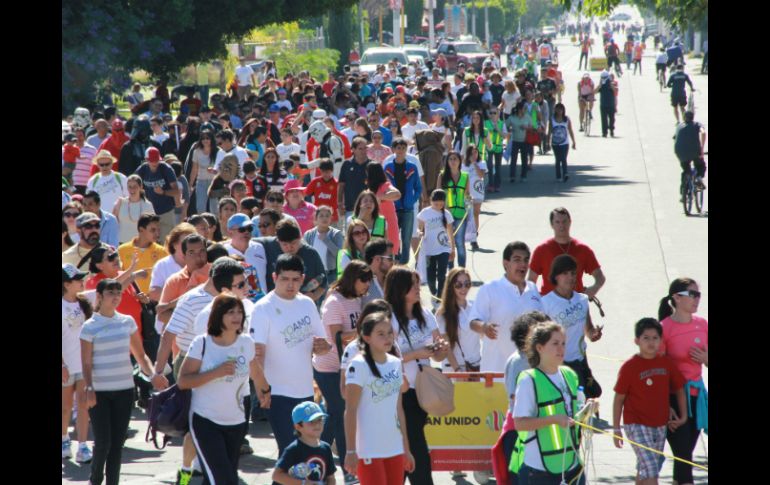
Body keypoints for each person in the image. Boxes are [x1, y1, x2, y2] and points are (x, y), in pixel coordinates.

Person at [153, 257, 246, 484]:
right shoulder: (193, 301)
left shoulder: (234, 305)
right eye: (241, 285)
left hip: (227, 366)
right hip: (192, 364)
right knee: (196, 423)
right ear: (225, 286)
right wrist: (158, 372)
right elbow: (168, 334)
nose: (246, 289)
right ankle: (186, 471)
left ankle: (210, 466)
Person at [80, 278, 167, 485]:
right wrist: (89, 388)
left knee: (117, 443)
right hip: (99, 391)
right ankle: (95, 479)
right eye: (111, 293)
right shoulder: (89, 326)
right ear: (99, 297)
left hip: (125, 390)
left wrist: (153, 375)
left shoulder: (127, 321)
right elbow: (86, 363)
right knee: (103, 442)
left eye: (118, 293)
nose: (116, 297)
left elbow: (140, 355)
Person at [177, 292, 270, 485]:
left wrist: (265, 392)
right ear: (218, 315)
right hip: (205, 421)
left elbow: (256, 372)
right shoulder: (202, 343)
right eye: (231, 312)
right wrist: (216, 372)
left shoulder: (246, 342)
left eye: (239, 312)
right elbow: (183, 381)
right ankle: (184, 474)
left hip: (236, 422)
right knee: (224, 480)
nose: (237, 317)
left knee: (221, 477)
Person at [251, 254, 333, 456]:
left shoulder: (307, 304)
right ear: (274, 277)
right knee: (290, 450)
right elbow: (257, 353)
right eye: (284, 279)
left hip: (304, 391)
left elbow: (322, 345)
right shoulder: (262, 308)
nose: (290, 285)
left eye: (295, 280)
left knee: (304, 451)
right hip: (276, 393)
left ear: (302, 279)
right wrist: (261, 388)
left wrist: (324, 347)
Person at [384, 266, 448, 485]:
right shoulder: (388, 319)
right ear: (400, 288)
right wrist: (415, 354)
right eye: (413, 285)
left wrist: (442, 349)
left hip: (422, 391)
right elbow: (381, 360)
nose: (418, 289)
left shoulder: (426, 314)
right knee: (416, 448)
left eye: (418, 284)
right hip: (401, 392)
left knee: (409, 446)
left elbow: (438, 355)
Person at [314, 261, 372, 482]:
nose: (367, 284)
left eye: (369, 280)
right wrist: (364, 333)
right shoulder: (334, 302)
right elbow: (337, 338)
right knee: (340, 413)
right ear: (352, 279)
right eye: (363, 280)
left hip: (349, 367)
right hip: (329, 367)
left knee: (334, 415)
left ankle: (314, 454)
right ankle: (348, 472)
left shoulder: (356, 298)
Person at [613, 318, 688, 485]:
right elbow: (618, 398)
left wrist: (683, 416)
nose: (651, 342)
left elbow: (679, 389)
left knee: (646, 469)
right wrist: (616, 428)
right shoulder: (630, 366)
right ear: (637, 341)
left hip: (660, 425)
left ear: (661, 341)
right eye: (646, 338)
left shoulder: (666, 363)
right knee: (652, 472)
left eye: (655, 338)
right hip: (636, 424)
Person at [343, 311, 415, 485]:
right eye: (380, 334)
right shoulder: (358, 365)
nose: (387, 337)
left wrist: (406, 448)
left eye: (390, 332)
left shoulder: (396, 363)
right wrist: (351, 451)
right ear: (367, 338)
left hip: (394, 448)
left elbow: (398, 410)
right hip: (368, 450)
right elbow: (350, 410)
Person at [510, 322, 585, 484]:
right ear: (539, 348)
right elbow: (519, 424)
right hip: (539, 469)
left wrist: (587, 409)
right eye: (555, 343)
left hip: (572, 463)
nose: (561, 349)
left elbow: (576, 411)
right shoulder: (529, 380)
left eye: (563, 343)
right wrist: (554, 419)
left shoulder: (569, 375)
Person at [657, 278, 708, 485]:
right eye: (692, 294)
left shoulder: (702, 324)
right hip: (673, 398)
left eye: (699, 295)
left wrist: (706, 359)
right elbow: (657, 369)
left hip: (697, 397)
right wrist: (664, 403)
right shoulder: (664, 328)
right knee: (683, 454)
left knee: (686, 454)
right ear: (676, 298)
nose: (697, 299)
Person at [469, 241, 544, 372]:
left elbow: (543, 325)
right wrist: (484, 327)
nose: (523, 265)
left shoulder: (533, 290)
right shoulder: (489, 289)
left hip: (528, 374)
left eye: (526, 260)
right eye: (517, 260)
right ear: (506, 263)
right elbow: (473, 321)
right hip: (496, 373)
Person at [497, 311, 550, 485]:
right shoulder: (519, 362)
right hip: (519, 433)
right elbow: (516, 399)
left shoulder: (540, 360)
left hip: (536, 430)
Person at [541, 254, 603, 396]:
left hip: (581, 360)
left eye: (573, 273)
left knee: (594, 394)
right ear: (556, 276)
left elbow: (589, 330)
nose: (570, 277)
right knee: (576, 402)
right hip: (561, 363)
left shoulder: (582, 299)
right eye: (565, 273)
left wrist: (594, 334)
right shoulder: (545, 303)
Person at [528, 207, 606, 298]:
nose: (562, 225)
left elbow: (600, 277)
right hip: (550, 307)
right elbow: (530, 282)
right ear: (552, 225)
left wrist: (593, 289)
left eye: (564, 221)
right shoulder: (541, 250)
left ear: (570, 222)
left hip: (576, 305)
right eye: (557, 222)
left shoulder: (583, 249)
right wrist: (537, 300)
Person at [62, 264, 93, 464]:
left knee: (83, 406)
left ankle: (82, 445)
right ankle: (64, 440)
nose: (82, 281)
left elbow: (114, 288)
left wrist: (132, 272)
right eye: (77, 279)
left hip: (83, 365)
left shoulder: (85, 301)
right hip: (65, 366)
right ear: (66, 284)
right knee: (65, 408)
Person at [273, 401, 338, 485]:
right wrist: (303, 483)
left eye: (320, 420)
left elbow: (331, 478)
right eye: (312, 422)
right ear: (298, 426)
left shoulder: (326, 448)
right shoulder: (293, 449)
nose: (317, 424)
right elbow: (277, 475)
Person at [436, 268, 479, 372]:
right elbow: (447, 346)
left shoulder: (475, 307)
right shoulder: (443, 313)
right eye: (458, 285)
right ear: (451, 286)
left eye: (467, 284)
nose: (463, 288)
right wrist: (457, 369)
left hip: (476, 366)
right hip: (455, 370)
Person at [417, 189, 456, 299]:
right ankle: (433, 292)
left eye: (441, 203)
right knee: (430, 277)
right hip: (429, 249)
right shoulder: (425, 213)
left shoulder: (447, 214)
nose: (438, 206)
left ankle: (440, 296)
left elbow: (450, 233)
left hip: (443, 248)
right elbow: (419, 228)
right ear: (431, 201)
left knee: (442, 274)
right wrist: (420, 232)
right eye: (436, 203)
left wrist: (452, 249)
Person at [135, 147, 180, 239]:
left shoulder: (166, 169)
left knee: (167, 240)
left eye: (156, 160)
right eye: (152, 160)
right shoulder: (142, 170)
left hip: (166, 211)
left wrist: (163, 192)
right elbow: (133, 185)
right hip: (149, 213)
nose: (155, 163)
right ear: (146, 160)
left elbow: (177, 191)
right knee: (150, 241)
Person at [117, 213, 168, 294]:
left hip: (152, 301)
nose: (157, 234)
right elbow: (118, 276)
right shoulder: (122, 250)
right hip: (129, 299)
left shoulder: (162, 252)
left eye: (158, 230)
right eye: (153, 230)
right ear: (141, 230)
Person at [112, 175, 156, 244]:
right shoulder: (120, 202)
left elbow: (153, 226)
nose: (132, 189)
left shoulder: (147, 205)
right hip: (122, 243)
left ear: (141, 187)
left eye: (135, 186)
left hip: (141, 244)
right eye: (130, 187)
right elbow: (113, 222)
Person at [338, 137, 372, 224]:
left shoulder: (372, 165)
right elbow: (341, 185)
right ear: (353, 149)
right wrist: (340, 203)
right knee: (350, 235)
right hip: (350, 208)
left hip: (369, 209)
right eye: (360, 148)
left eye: (365, 148)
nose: (363, 151)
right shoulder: (346, 164)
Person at [674, 111, 707, 198]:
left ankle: (683, 193)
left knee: (686, 170)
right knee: (700, 165)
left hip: (680, 151)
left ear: (684, 117)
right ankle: (699, 178)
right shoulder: (697, 124)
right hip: (694, 151)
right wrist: (702, 149)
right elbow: (703, 132)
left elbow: (675, 137)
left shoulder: (679, 126)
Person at [461, 145, 487, 251]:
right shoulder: (463, 165)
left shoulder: (482, 163)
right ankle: (468, 236)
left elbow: (481, 175)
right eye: (472, 153)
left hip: (478, 192)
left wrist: (475, 164)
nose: (474, 155)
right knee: (468, 215)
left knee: (476, 213)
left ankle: (474, 238)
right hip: (467, 193)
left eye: (476, 152)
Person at [188, 130, 221, 214]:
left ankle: (215, 226)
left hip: (214, 183)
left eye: (207, 138)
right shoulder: (196, 151)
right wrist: (190, 185)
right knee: (200, 207)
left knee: (214, 208)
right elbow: (194, 169)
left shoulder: (218, 151)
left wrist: (214, 171)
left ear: (211, 139)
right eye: (203, 138)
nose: (205, 140)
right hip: (201, 182)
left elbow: (222, 169)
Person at [305, 160, 341, 227]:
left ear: (332, 171)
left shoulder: (336, 184)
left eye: (327, 172)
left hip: (332, 218)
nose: (325, 174)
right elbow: (305, 193)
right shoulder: (315, 181)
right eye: (323, 172)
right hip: (318, 217)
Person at [548, 103, 577, 183]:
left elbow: (570, 130)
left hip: (565, 143)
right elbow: (550, 131)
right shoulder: (552, 119)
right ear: (555, 110)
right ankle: (558, 175)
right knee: (558, 159)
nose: (559, 111)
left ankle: (565, 174)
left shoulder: (567, 119)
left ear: (563, 110)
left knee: (563, 158)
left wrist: (573, 141)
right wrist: (547, 142)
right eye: (558, 109)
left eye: (561, 109)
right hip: (555, 143)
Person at [504, 101, 531, 183]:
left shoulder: (527, 117)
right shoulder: (512, 117)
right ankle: (512, 176)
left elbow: (532, 127)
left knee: (524, 159)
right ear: (519, 109)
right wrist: (510, 130)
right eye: (523, 109)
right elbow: (505, 125)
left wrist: (526, 127)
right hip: (515, 140)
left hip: (525, 141)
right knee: (513, 159)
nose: (524, 110)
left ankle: (523, 175)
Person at [593, 71, 617, 137]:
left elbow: (615, 91)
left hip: (611, 105)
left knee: (612, 119)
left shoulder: (612, 84)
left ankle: (611, 130)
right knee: (604, 119)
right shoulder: (601, 85)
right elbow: (594, 92)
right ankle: (604, 132)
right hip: (603, 104)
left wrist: (611, 85)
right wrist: (599, 85)